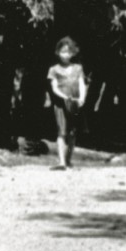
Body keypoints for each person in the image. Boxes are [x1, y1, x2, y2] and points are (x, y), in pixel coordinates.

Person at [46, 36, 87, 170]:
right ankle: (62, 161)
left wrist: (82, 98)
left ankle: (69, 159)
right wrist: (64, 97)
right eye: (63, 51)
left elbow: (82, 84)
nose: (66, 54)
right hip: (61, 104)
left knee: (73, 133)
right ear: (58, 52)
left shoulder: (78, 68)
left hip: (75, 104)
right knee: (61, 132)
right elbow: (54, 87)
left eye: (68, 52)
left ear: (73, 53)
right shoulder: (54, 69)